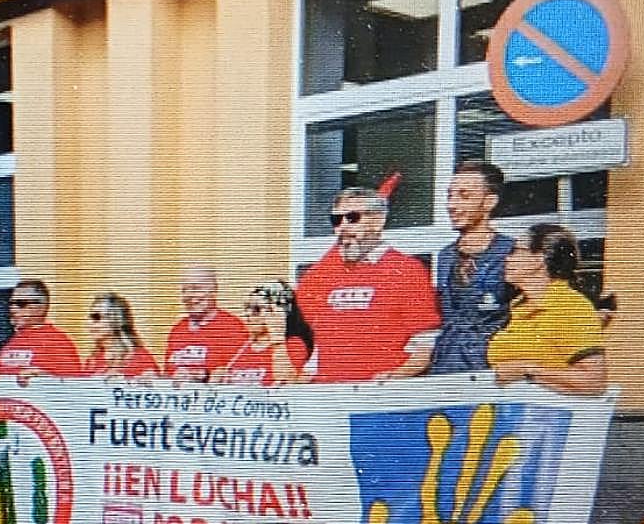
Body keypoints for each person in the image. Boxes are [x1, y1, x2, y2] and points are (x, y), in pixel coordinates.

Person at [488, 223, 612, 524]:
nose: (509, 256)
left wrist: (530, 370)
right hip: (519, 449)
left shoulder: (570, 308)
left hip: (558, 451)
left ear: (540, 260)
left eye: (518, 250)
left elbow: (594, 379)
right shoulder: (521, 310)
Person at [296, 186, 440, 383]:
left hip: (380, 396)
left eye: (353, 218)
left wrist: (397, 376)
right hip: (329, 394)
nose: (342, 227)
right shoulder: (319, 275)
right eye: (336, 220)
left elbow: (426, 343)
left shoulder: (407, 270)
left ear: (378, 221)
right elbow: (318, 344)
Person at [431, 161, 515, 374]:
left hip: (492, 372)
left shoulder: (512, 253)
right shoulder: (445, 256)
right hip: (446, 368)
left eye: (464, 196)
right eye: (449, 196)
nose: (452, 205)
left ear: (489, 202)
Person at [0, 280, 82, 384]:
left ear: (40, 308)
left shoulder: (56, 342)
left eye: (20, 304)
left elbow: (73, 385)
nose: (12, 309)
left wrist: (44, 377)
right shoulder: (13, 340)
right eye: (11, 304)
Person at [216, 281, 311, 387]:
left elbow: (285, 383)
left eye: (256, 309)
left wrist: (277, 338)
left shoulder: (293, 345)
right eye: (247, 307)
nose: (248, 314)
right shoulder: (240, 344)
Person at [164, 268, 248, 382]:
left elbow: (240, 373)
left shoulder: (232, 328)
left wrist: (202, 374)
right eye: (185, 290)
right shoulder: (177, 330)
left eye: (196, 289)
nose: (189, 296)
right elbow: (168, 373)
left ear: (214, 291)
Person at [83, 293, 159, 378]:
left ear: (116, 320)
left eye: (97, 317)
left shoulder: (140, 358)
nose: (90, 323)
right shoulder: (94, 359)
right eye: (90, 318)